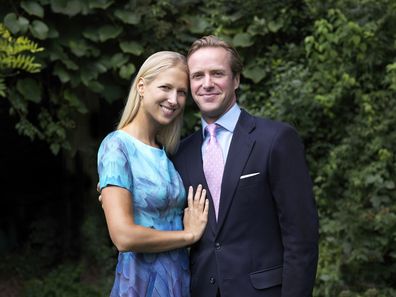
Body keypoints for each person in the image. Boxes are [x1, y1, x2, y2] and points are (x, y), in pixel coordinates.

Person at [171, 36, 319, 297]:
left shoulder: (275, 139)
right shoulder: (181, 153)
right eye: (197, 76)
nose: (207, 84)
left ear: (236, 79)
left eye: (217, 73)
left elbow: (301, 239)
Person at [97, 51, 209, 297]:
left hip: (177, 281)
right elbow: (123, 237)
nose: (174, 99)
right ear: (141, 86)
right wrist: (188, 235)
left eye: (181, 92)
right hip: (140, 284)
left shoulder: (166, 152)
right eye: (166, 87)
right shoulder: (116, 146)